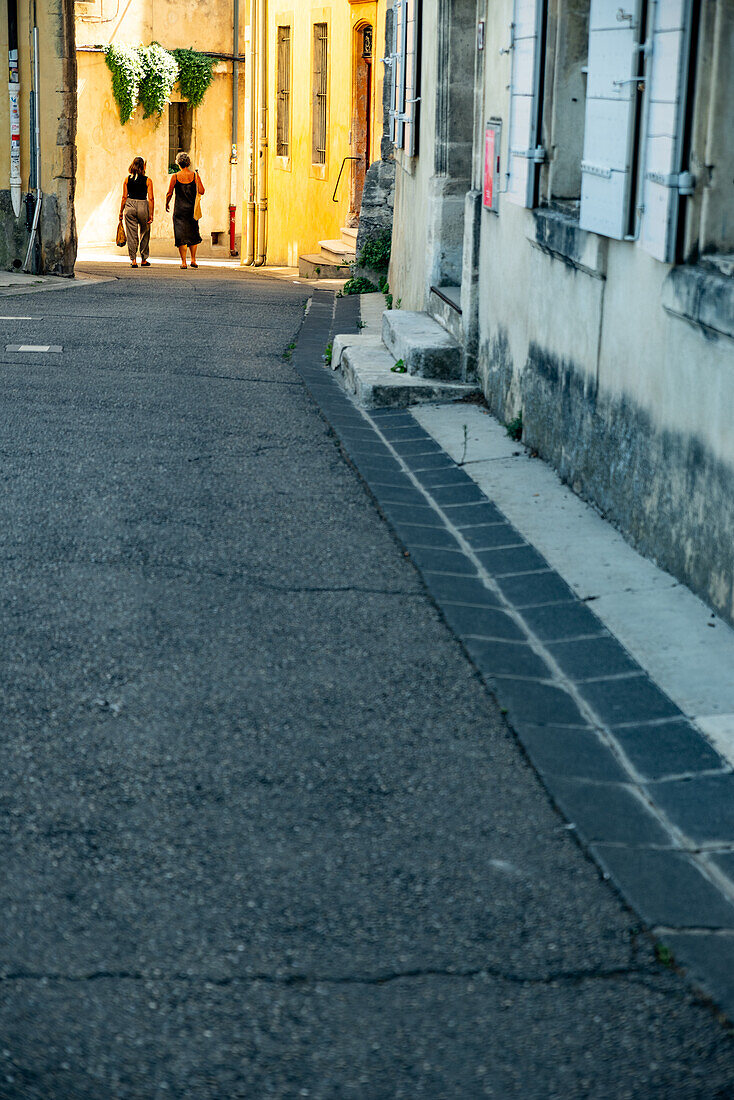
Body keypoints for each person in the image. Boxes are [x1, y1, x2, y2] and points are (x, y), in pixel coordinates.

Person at [165, 152, 205, 269]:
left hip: (179, 210)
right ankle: (193, 260)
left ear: (178, 163)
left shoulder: (175, 176)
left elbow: (169, 192)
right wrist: (197, 180)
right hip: (192, 210)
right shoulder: (194, 176)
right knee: (193, 233)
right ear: (188, 163)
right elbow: (202, 191)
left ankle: (183, 262)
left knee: (181, 235)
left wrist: (167, 203)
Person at [119, 156, 154, 268]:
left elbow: (124, 197)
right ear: (143, 166)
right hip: (143, 205)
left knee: (131, 234)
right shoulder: (148, 180)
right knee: (145, 231)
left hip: (129, 205)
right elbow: (151, 198)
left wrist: (120, 211)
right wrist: (151, 214)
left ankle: (133, 260)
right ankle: (143, 259)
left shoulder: (126, 179)